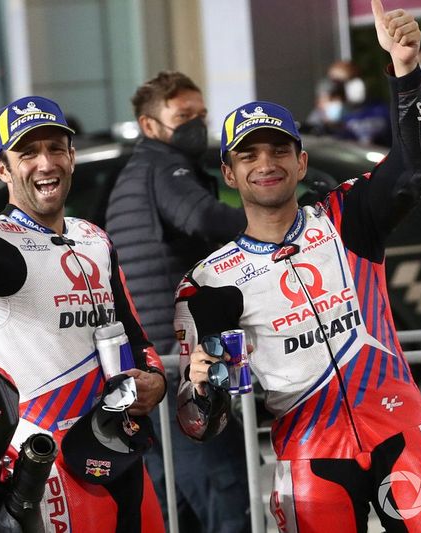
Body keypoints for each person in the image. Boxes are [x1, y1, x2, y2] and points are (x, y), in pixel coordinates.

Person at [175, 1, 421, 531]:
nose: (266, 164)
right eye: (249, 156)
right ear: (229, 173)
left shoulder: (346, 216)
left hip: (400, 429)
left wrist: (404, 69)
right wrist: (201, 387)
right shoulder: (207, 283)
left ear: (302, 162)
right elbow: (198, 424)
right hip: (309, 456)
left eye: (279, 151)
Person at [0, 96, 166, 532]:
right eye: (27, 153)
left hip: (119, 450)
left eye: (56, 148)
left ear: (72, 157)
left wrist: (155, 378)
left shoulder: (93, 238)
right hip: (44, 465)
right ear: (3, 168)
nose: (45, 163)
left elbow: (133, 333)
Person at [105, 71, 250, 533]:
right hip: (185, 365)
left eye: (201, 115)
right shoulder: (165, 168)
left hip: (155, 364)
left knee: (174, 511)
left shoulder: (132, 177)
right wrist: (268, 218)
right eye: (183, 116)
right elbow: (204, 217)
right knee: (226, 502)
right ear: (151, 126)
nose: (197, 124)